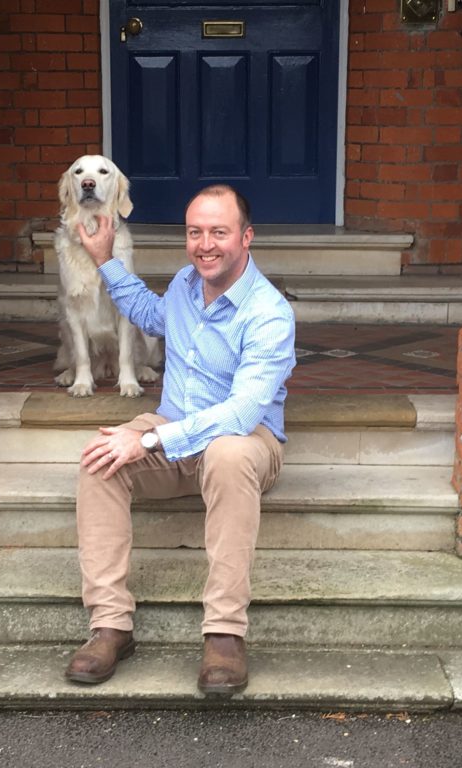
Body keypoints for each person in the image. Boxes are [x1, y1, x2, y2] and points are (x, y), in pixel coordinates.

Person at [64, 184, 296, 695]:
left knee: (227, 454)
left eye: (219, 232)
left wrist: (149, 441)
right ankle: (110, 626)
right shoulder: (185, 285)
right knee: (99, 459)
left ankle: (225, 634)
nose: (205, 244)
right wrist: (104, 259)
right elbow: (151, 315)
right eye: (195, 232)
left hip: (246, 441)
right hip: (175, 428)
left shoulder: (269, 313)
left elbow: (241, 413)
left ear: (246, 237)